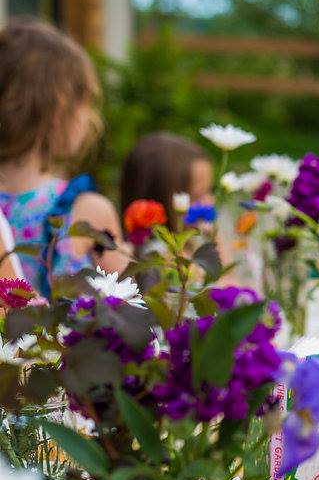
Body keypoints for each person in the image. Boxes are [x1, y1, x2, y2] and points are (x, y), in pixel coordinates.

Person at [0, 19, 127, 297]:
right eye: (86, 102)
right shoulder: (87, 212)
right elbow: (132, 305)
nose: (91, 117)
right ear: (59, 110)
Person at [120, 132, 214, 234]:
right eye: (197, 196)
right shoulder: (157, 249)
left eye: (210, 190)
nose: (210, 202)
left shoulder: (192, 242)